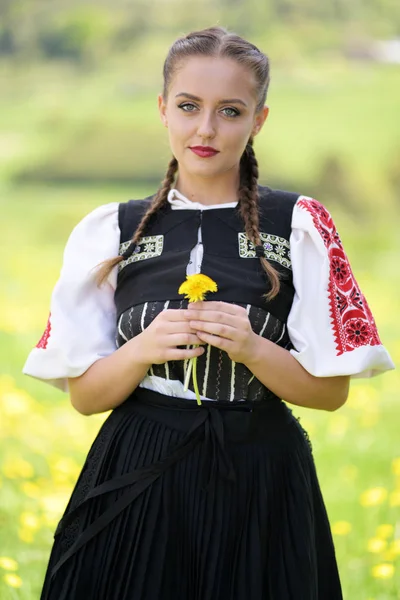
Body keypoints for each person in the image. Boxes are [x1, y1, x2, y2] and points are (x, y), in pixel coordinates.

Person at [23, 26, 394, 600]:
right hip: (138, 468)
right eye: (189, 106)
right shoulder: (111, 230)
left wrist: (253, 348)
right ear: (162, 109)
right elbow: (85, 398)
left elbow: (330, 393)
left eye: (230, 111)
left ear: (259, 120)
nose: (206, 129)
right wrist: (142, 349)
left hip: (262, 474)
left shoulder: (299, 224)